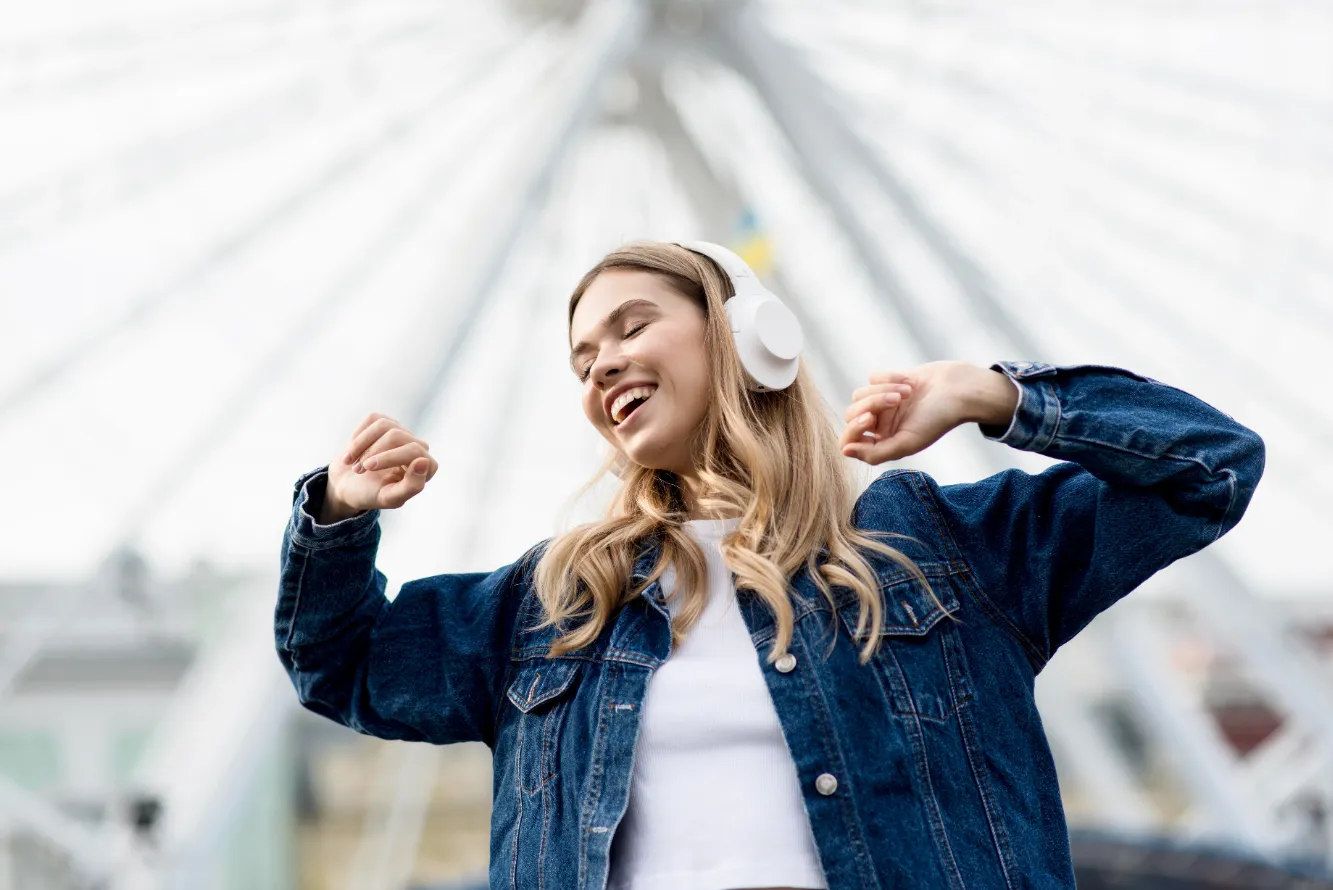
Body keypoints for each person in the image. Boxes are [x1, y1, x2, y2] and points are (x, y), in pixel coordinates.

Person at [275, 241, 1265, 890]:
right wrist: (336, 516)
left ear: (751, 337)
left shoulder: (945, 554)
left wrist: (988, 393)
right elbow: (340, 660)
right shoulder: (550, 606)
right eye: (582, 360)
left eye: (630, 326)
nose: (603, 365)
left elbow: (1209, 466)